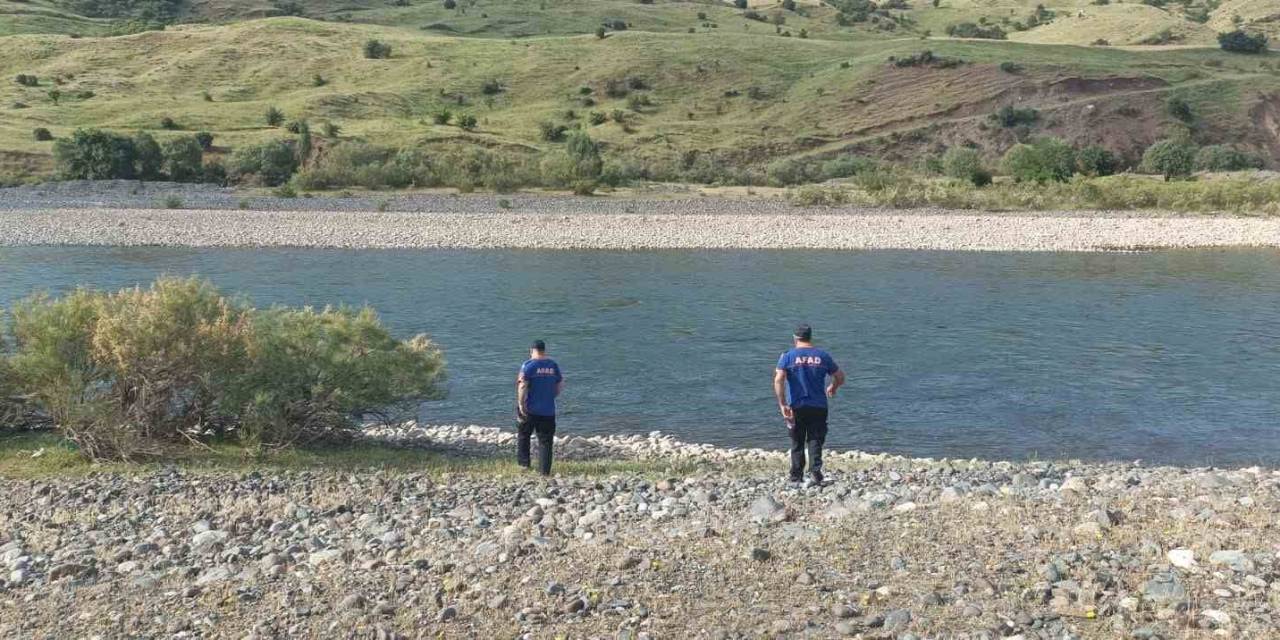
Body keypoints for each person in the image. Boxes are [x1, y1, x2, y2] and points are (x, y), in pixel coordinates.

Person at [773, 324, 845, 485]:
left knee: (797, 441)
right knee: (815, 439)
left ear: (795, 338)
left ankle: (796, 477)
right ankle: (815, 473)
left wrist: (782, 403)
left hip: (796, 405)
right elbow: (840, 376)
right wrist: (833, 387)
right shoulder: (822, 356)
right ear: (810, 337)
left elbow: (778, 379)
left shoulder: (787, 356)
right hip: (818, 405)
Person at [516, 340, 563, 475]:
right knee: (546, 441)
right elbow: (560, 384)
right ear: (544, 350)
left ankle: (524, 465)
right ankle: (544, 471)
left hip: (530, 408)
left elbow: (523, 385)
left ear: (531, 350)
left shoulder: (528, 365)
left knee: (524, 435)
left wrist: (521, 404)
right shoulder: (553, 365)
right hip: (548, 410)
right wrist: (551, 395)